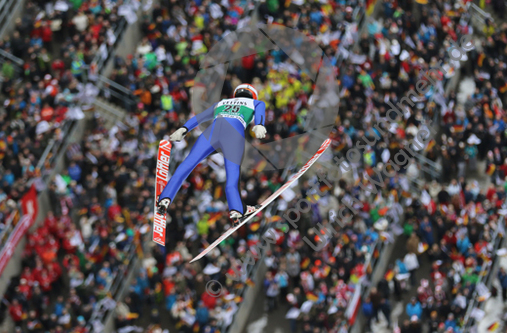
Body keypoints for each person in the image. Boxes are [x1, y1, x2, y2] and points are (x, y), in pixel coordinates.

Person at [156, 84, 266, 226]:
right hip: (233, 134)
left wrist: (183, 129)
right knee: (232, 176)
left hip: (211, 133)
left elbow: (199, 117)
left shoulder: (221, 103)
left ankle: (165, 198)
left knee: (188, 164)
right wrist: (260, 124)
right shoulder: (255, 103)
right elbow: (260, 112)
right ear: (253, 95)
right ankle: (236, 211)